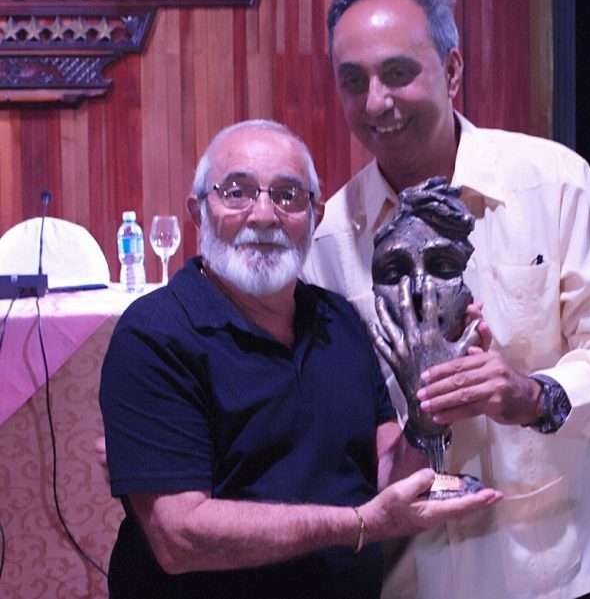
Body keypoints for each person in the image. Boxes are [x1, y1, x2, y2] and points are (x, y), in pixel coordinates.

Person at [301, 0, 590, 598]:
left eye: (398, 73)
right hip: (407, 578)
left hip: (551, 568)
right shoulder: (330, 238)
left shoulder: (554, 183)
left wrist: (531, 393)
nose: (377, 101)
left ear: (452, 68)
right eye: (353, 80)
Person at [99, 119, 500, 599]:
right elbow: (179, 537)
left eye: (289, 195)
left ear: (315, 214)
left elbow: (387, 477)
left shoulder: (338, 322)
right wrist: (357, 524)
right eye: (236, 192)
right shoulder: (156, 335)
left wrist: (428, 402)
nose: (264, 215)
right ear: (197, 211)